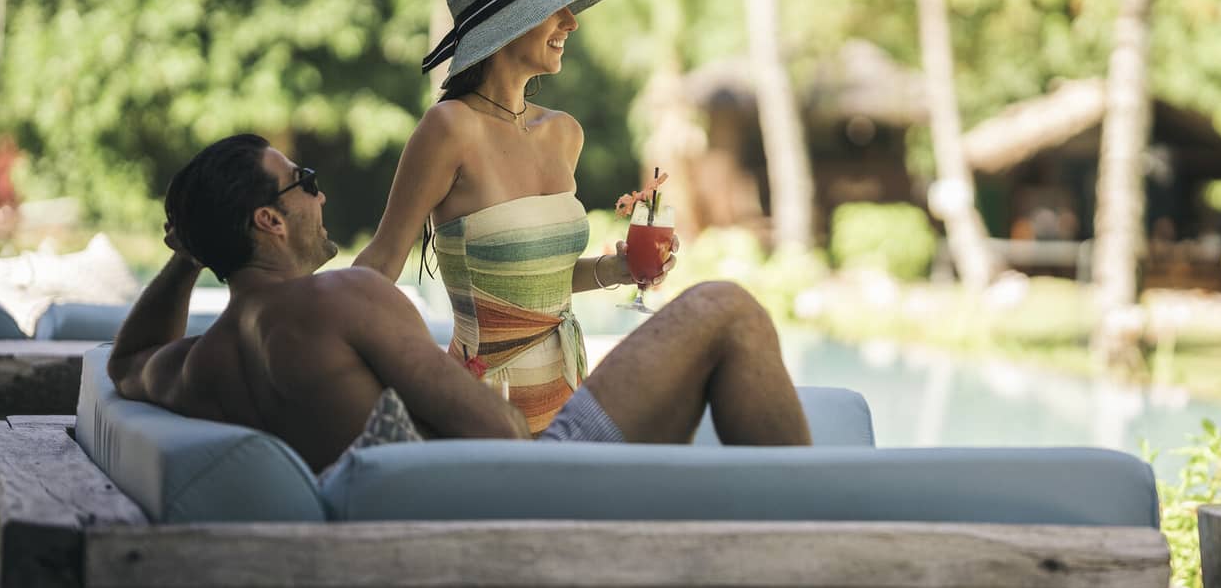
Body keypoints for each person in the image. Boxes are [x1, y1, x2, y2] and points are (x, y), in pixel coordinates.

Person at [108, 134, 810, 474]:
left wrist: (190, 253)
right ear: (269, 221)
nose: (319, 194)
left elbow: (127, 359)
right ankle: (822, 542)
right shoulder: (344, 297)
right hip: (525, 503)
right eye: (304, 181)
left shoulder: (200, 366)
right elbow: (501, 434)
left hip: (412, 522)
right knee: (726, 308)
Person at [353, 0, 662, 435]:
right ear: (507, 23)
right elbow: (382, 261)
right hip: (480, 413)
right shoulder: (449, 128)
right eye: (554, 9)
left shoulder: (564, 133)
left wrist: (619, 269)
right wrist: (318, 345)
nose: (571, 22)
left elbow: (539, 283)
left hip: (567, 401)